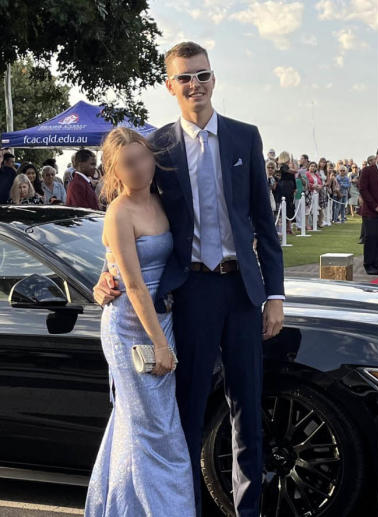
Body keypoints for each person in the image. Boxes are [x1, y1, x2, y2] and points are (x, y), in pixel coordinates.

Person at [92, 41, 284, 517]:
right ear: (170, 86)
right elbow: (129, 217)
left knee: (248, 410)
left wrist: (275, 294)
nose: (194, 84)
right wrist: (106, 274)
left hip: (243, 290)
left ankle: (249, 510)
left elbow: (264, 220)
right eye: (185, 78)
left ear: (213, 79)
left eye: (202, 75)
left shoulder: (245, 137)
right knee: (188, 414)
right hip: (190, 293)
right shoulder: (157, 148)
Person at [83, 128, 195, 517]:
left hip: (160, 320)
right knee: (155, 430)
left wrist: (102, 277)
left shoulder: (164, 200)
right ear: (114, 171)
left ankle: (114, 509)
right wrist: (160, 345)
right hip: (129, 329)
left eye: (143, 157)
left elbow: (113, 266)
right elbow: (131, 283)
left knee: (133, 424)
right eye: (128, 164)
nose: (140, 169)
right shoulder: (118, 212)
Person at [358, 146, 378, 275]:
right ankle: (369, 264)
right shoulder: (367, 171)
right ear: (377, 156)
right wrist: (375, 206)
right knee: (371, 237)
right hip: (370, 210)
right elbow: (363, 189)